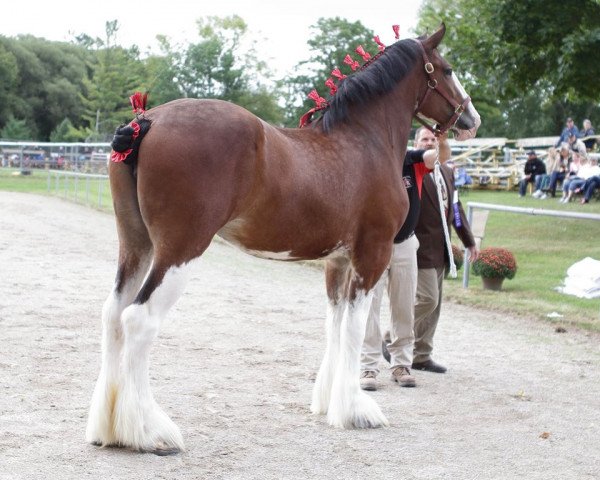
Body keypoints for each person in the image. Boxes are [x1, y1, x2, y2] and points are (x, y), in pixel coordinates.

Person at [360, 127, 450, 391]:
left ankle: (401, 363)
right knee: (370, 309)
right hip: (374, 245)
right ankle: (368, 366)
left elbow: (439, 156)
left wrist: (442, 138)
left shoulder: (413, 160)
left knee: (403, 306)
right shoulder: (371, 161)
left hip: (405, 243)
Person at [412, 152, 479, 374]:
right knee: (428, 299)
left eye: (433, 140)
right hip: (417, 247)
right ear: (417, 145)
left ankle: (421, 355)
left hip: (441, 249)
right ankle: (393, 335)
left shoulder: (448, 172)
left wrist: (468, 241)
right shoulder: (410, 169)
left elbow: (456, 210)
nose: (430, 144)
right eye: (425, 140)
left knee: (435, 306)